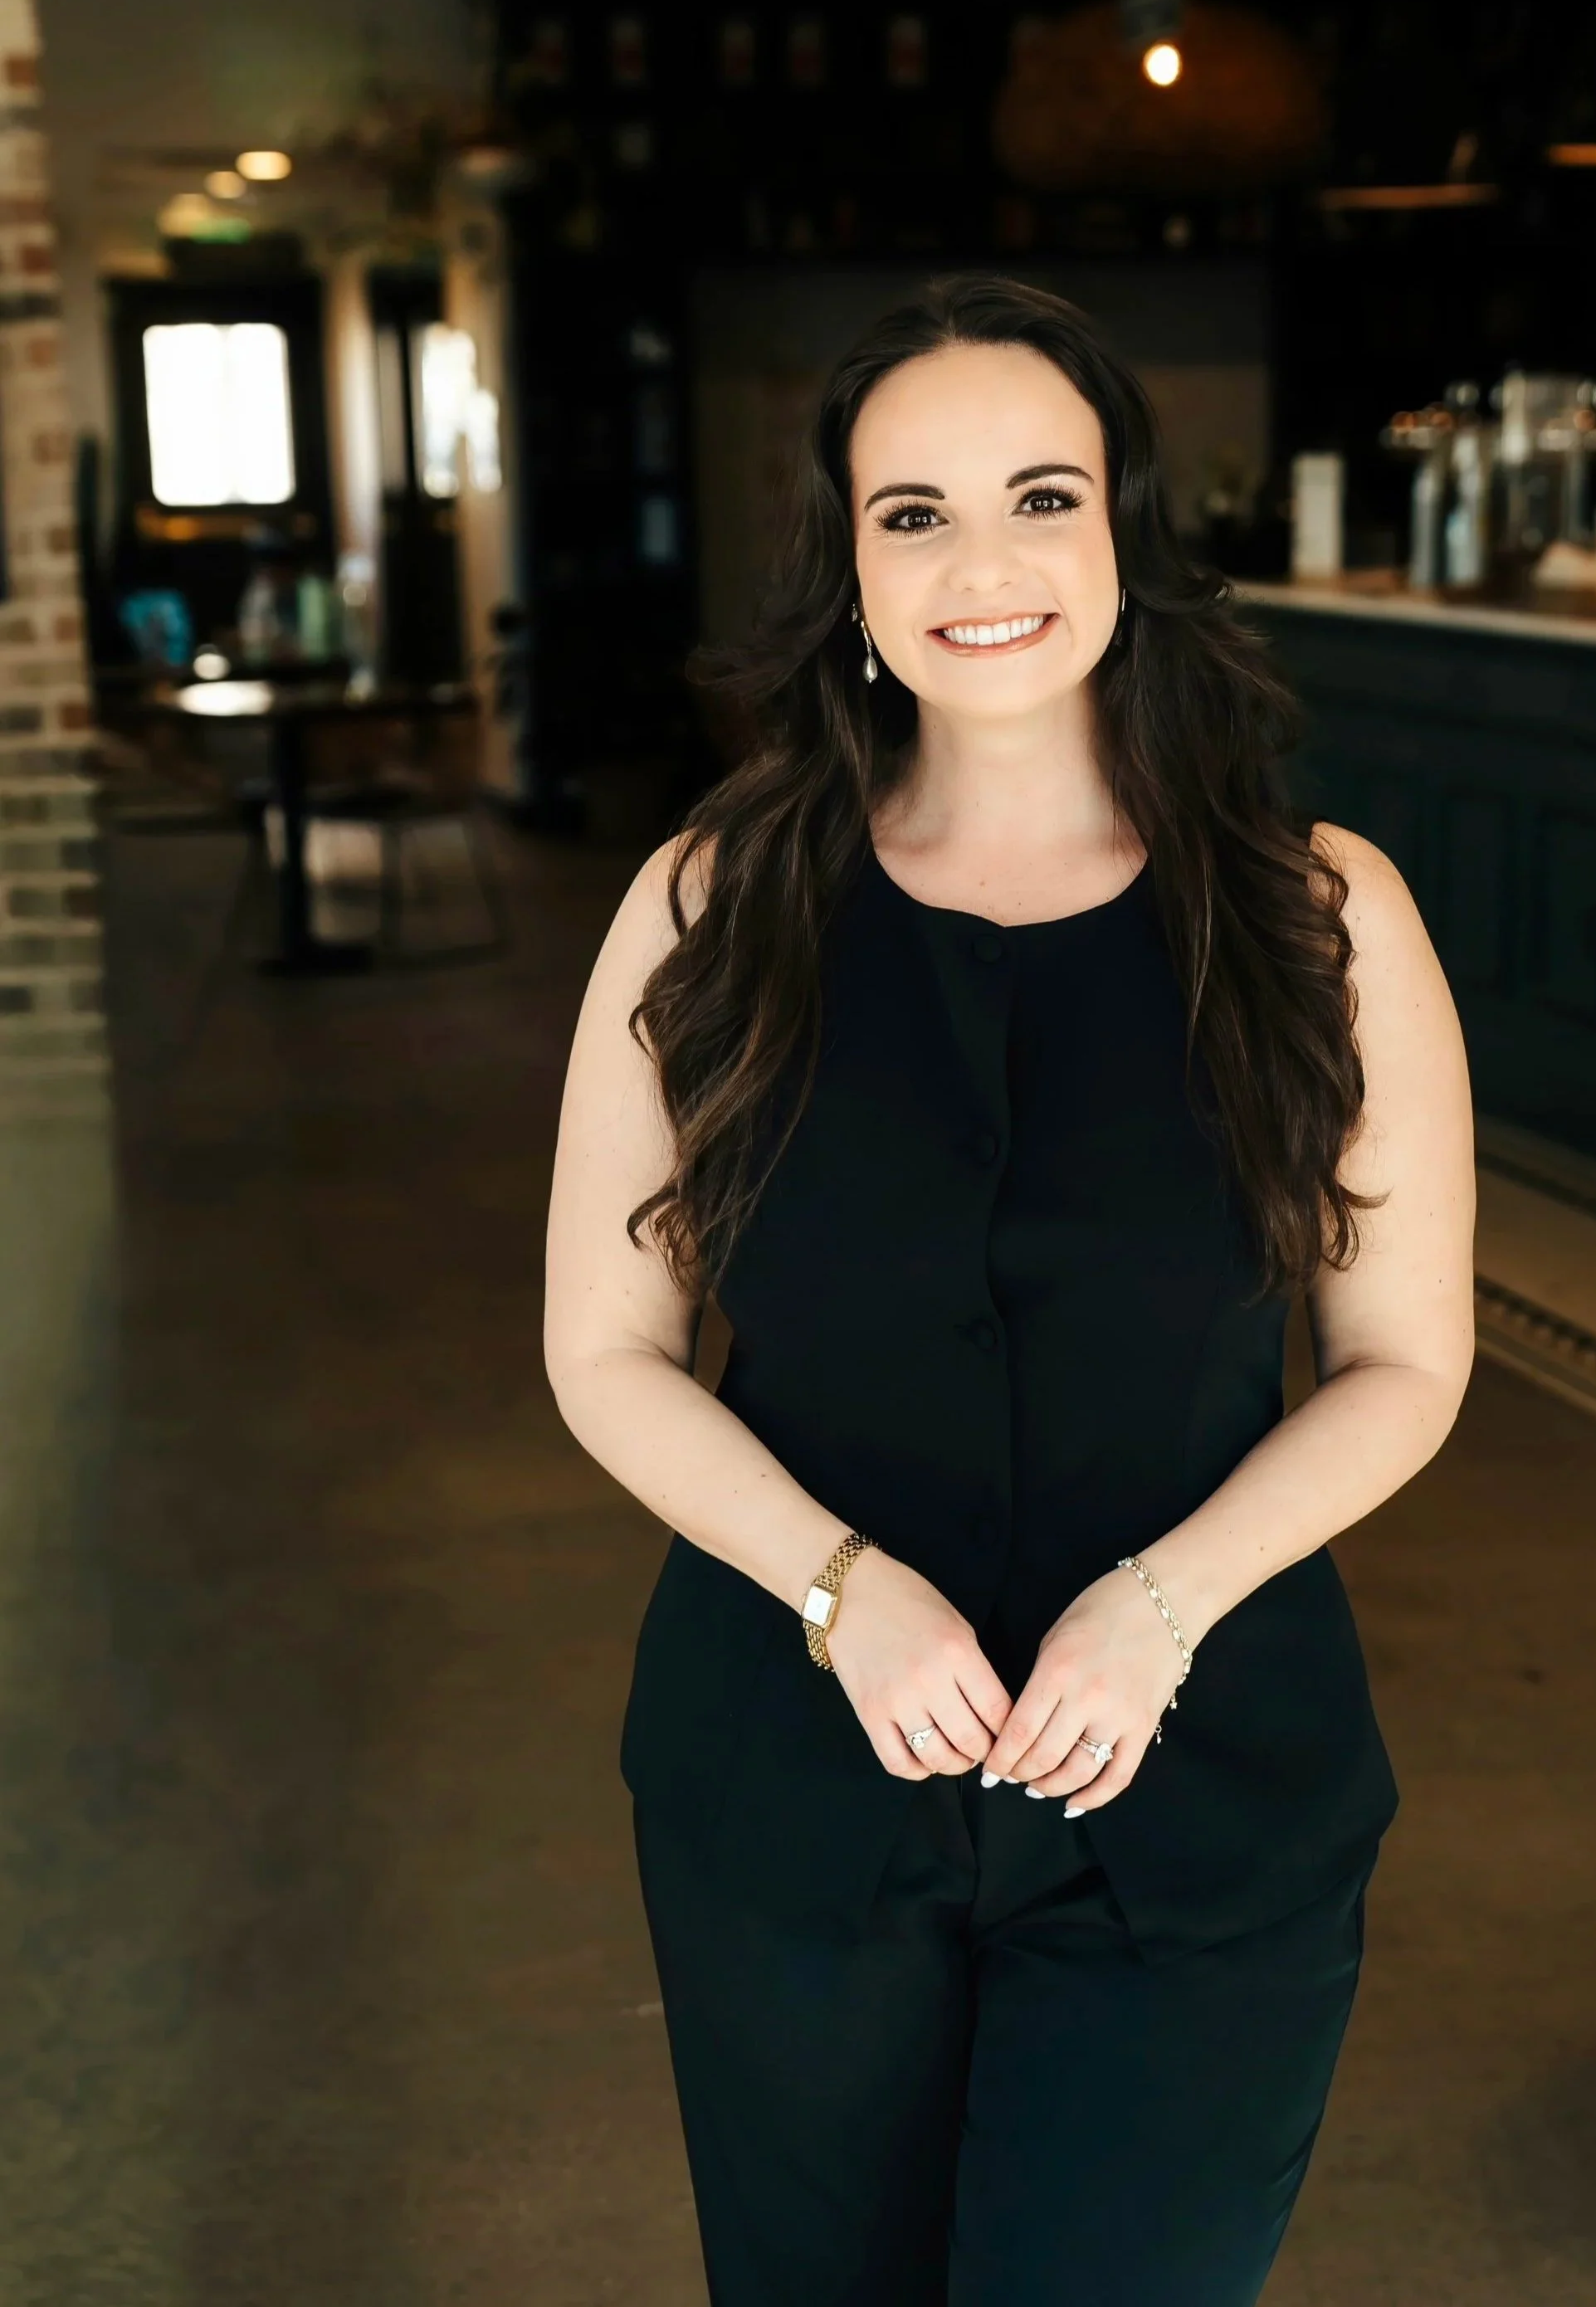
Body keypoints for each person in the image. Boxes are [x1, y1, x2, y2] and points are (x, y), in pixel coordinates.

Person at [544, 273, 1476, 2306]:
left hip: (1201, 1790)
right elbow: (602, 1352)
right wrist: (829, 1586)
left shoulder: (1321, 919)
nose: (983, 564)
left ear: (1124, 532)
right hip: (788, 1795)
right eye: (912, 514)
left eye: (1041, 496)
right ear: (847, 569)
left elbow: (1404, 1359)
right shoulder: (713, 905)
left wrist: (1158, 1609)